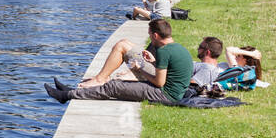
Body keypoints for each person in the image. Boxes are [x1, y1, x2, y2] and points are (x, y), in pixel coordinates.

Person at [46, 18, 191, 105]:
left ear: (155, 35)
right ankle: (72, 90)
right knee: (118, 84)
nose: (150, 39)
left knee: (114, 87)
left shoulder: (164, 51)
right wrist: (152, 62)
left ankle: (66, 96)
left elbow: (159, 83)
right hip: (171, 92)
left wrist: (139, 69)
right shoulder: (178, 48)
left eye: (150, 36)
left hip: (165, 95)